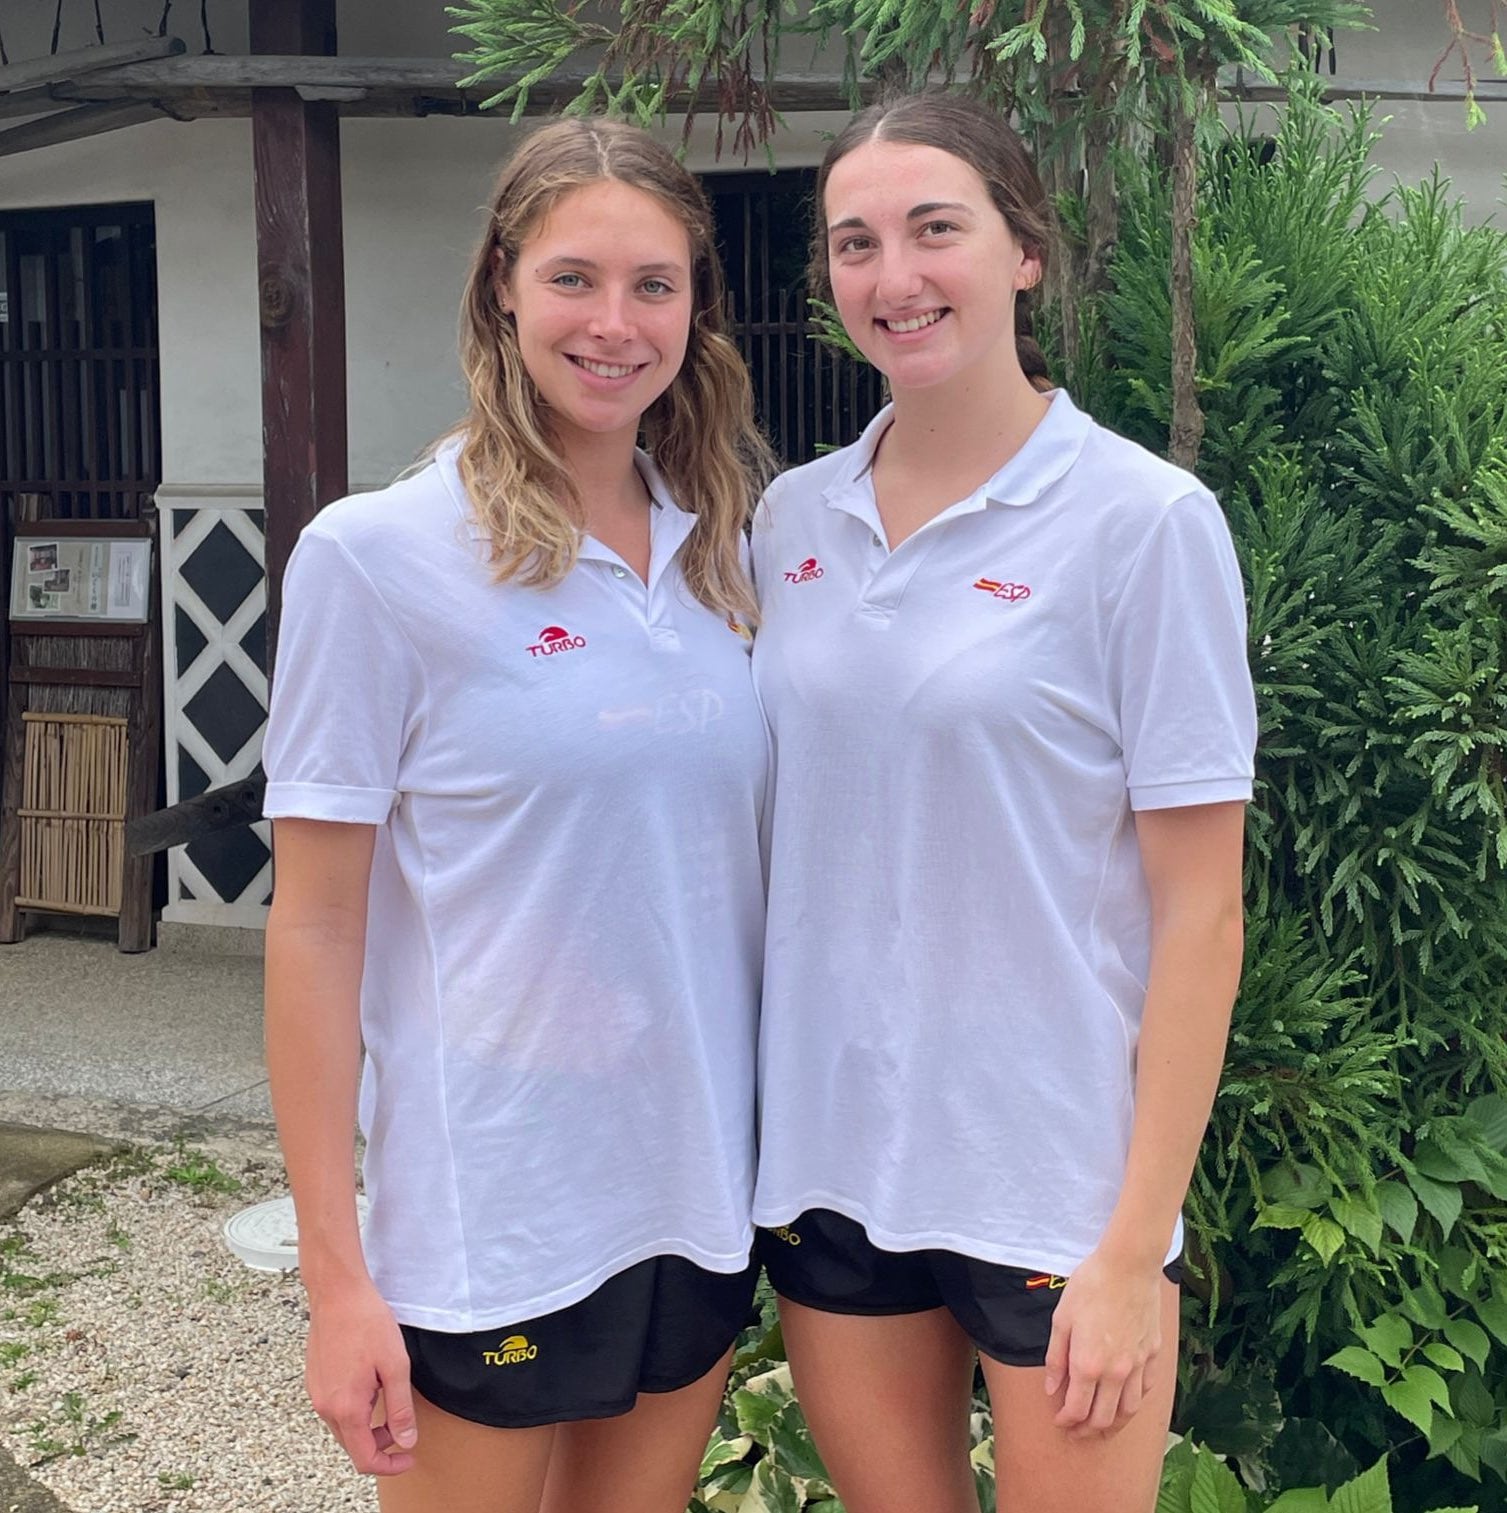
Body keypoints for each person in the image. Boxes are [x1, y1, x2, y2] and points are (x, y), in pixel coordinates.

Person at [750, 90, 1257, 1513]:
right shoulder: (791, 520)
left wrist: (1134, 1241)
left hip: (1056, 1181)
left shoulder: (1142, 525)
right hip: (836, 1165)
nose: (893, 277)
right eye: (855, 243)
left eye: (934, 230)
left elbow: (1202, 911)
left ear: (1023, 248)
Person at [261, 118, 772, 1513]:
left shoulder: (728, 545)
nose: (615, 323)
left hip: (693, 1192)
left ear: (695, 309)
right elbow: (311, 928)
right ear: (501, 284)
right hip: (495, 1208)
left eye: (654, 285)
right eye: (574, 279)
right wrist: (338, 1274)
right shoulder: (379, 561)